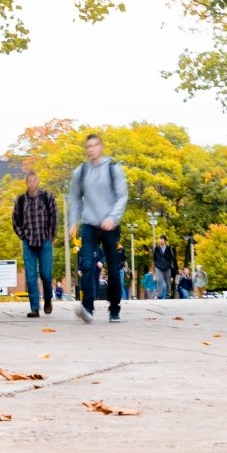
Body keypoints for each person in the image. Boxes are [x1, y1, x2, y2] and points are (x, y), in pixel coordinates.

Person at [69, 133, 128, 323]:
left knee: (112, 269)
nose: (91, 149)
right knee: (86, 265)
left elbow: (122, 196)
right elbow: (75, 198)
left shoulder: (113, 168)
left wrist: (113, 217)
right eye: (88, 146)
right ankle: (87, 307)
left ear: (101, 147)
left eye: (95, 145)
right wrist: (73, 222)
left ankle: (115, 308)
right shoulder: (82, 171)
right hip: (89, 224)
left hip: (110, 225)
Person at [11, 171, 59, 318]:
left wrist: (51, 235)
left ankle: (48, 300)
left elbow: (54, 217)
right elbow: (15, 220)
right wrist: (22, 236)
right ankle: (34, 307)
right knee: (31, 275)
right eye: (29, 181)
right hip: (29, 242)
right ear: (26, 183)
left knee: (46, 273)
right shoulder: (20, 201)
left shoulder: (47, 197)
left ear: (38, 181)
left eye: (34, 181)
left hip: (45, 240)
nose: (31, 183)